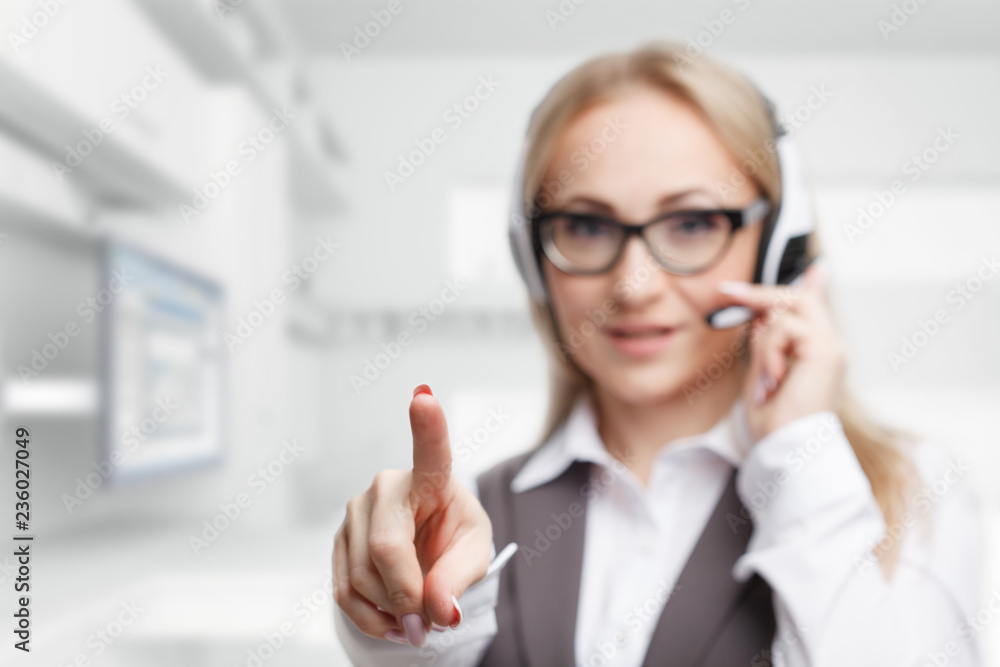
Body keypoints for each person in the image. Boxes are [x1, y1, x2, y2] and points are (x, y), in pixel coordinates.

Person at [332, 41, 981, 666]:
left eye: (693, 222)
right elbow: (417, 647)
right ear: (533, 258)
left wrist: (800, 453)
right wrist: (396, 608)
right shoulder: (470, 519)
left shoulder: (912, 491)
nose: (634, 286)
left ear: (779, 246)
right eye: (585, 226)